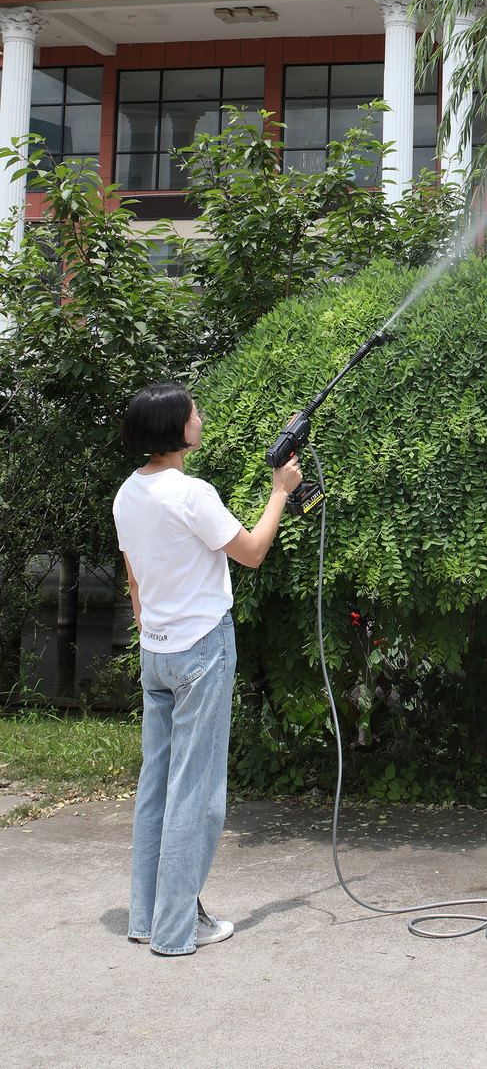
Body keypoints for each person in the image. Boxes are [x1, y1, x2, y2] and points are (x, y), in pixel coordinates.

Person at [113, 381, 301, 956]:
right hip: (201, 650)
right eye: (193, 411)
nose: (200, 416)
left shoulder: (127, 494)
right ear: (176, 430)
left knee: (157, 789)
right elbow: (251, 551)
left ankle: (147, 919)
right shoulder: (192, 493)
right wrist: (280, 491)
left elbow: (134, 576)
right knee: (197, 793)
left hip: (158, 654)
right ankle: (176, 931)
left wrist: (151, 627)